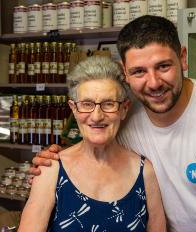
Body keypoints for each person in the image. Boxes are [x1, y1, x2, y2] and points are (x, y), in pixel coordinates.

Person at [31, 15, 196, 232]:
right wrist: (51, 158)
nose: (153, 83)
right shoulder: (123, 110)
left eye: (163, 66)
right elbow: (87, 141)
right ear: (125, 72)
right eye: (139, 71)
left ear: (183, 59)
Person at [19, 56, 166, 231]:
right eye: (87, 104)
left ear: (124, 109)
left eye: (108, 104)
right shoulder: (51, 169)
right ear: (73, 109)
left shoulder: (144, 172)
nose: (96, 116)